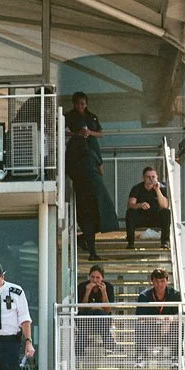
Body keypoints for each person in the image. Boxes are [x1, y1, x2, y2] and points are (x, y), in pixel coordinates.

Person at [64, 92, 105, 259]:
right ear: (74, 104)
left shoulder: (92, 117)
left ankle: (87, 242)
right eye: (78, 104)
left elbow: (100, 134)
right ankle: (89, 246)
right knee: (85, 212)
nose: (81, 106)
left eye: (83, 103)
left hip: (92, 167)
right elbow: (61, 131)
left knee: (94, 212)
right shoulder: (69, 117)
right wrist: (78, 135)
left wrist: (89, 134)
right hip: (81, 174)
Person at [124, 165, 172, 246]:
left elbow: (164, 206)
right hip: (141, 216)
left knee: (166, 212)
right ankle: (130, 242)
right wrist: (140, 205)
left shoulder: (162, 189)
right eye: (148, 177)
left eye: (153, 177)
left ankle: (164, 242)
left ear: (157, 177)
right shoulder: (137, 188)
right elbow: (130, 204)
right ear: (143, 178)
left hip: (155, 216)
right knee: (130, 213)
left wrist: (157, 190)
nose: (151, 179)